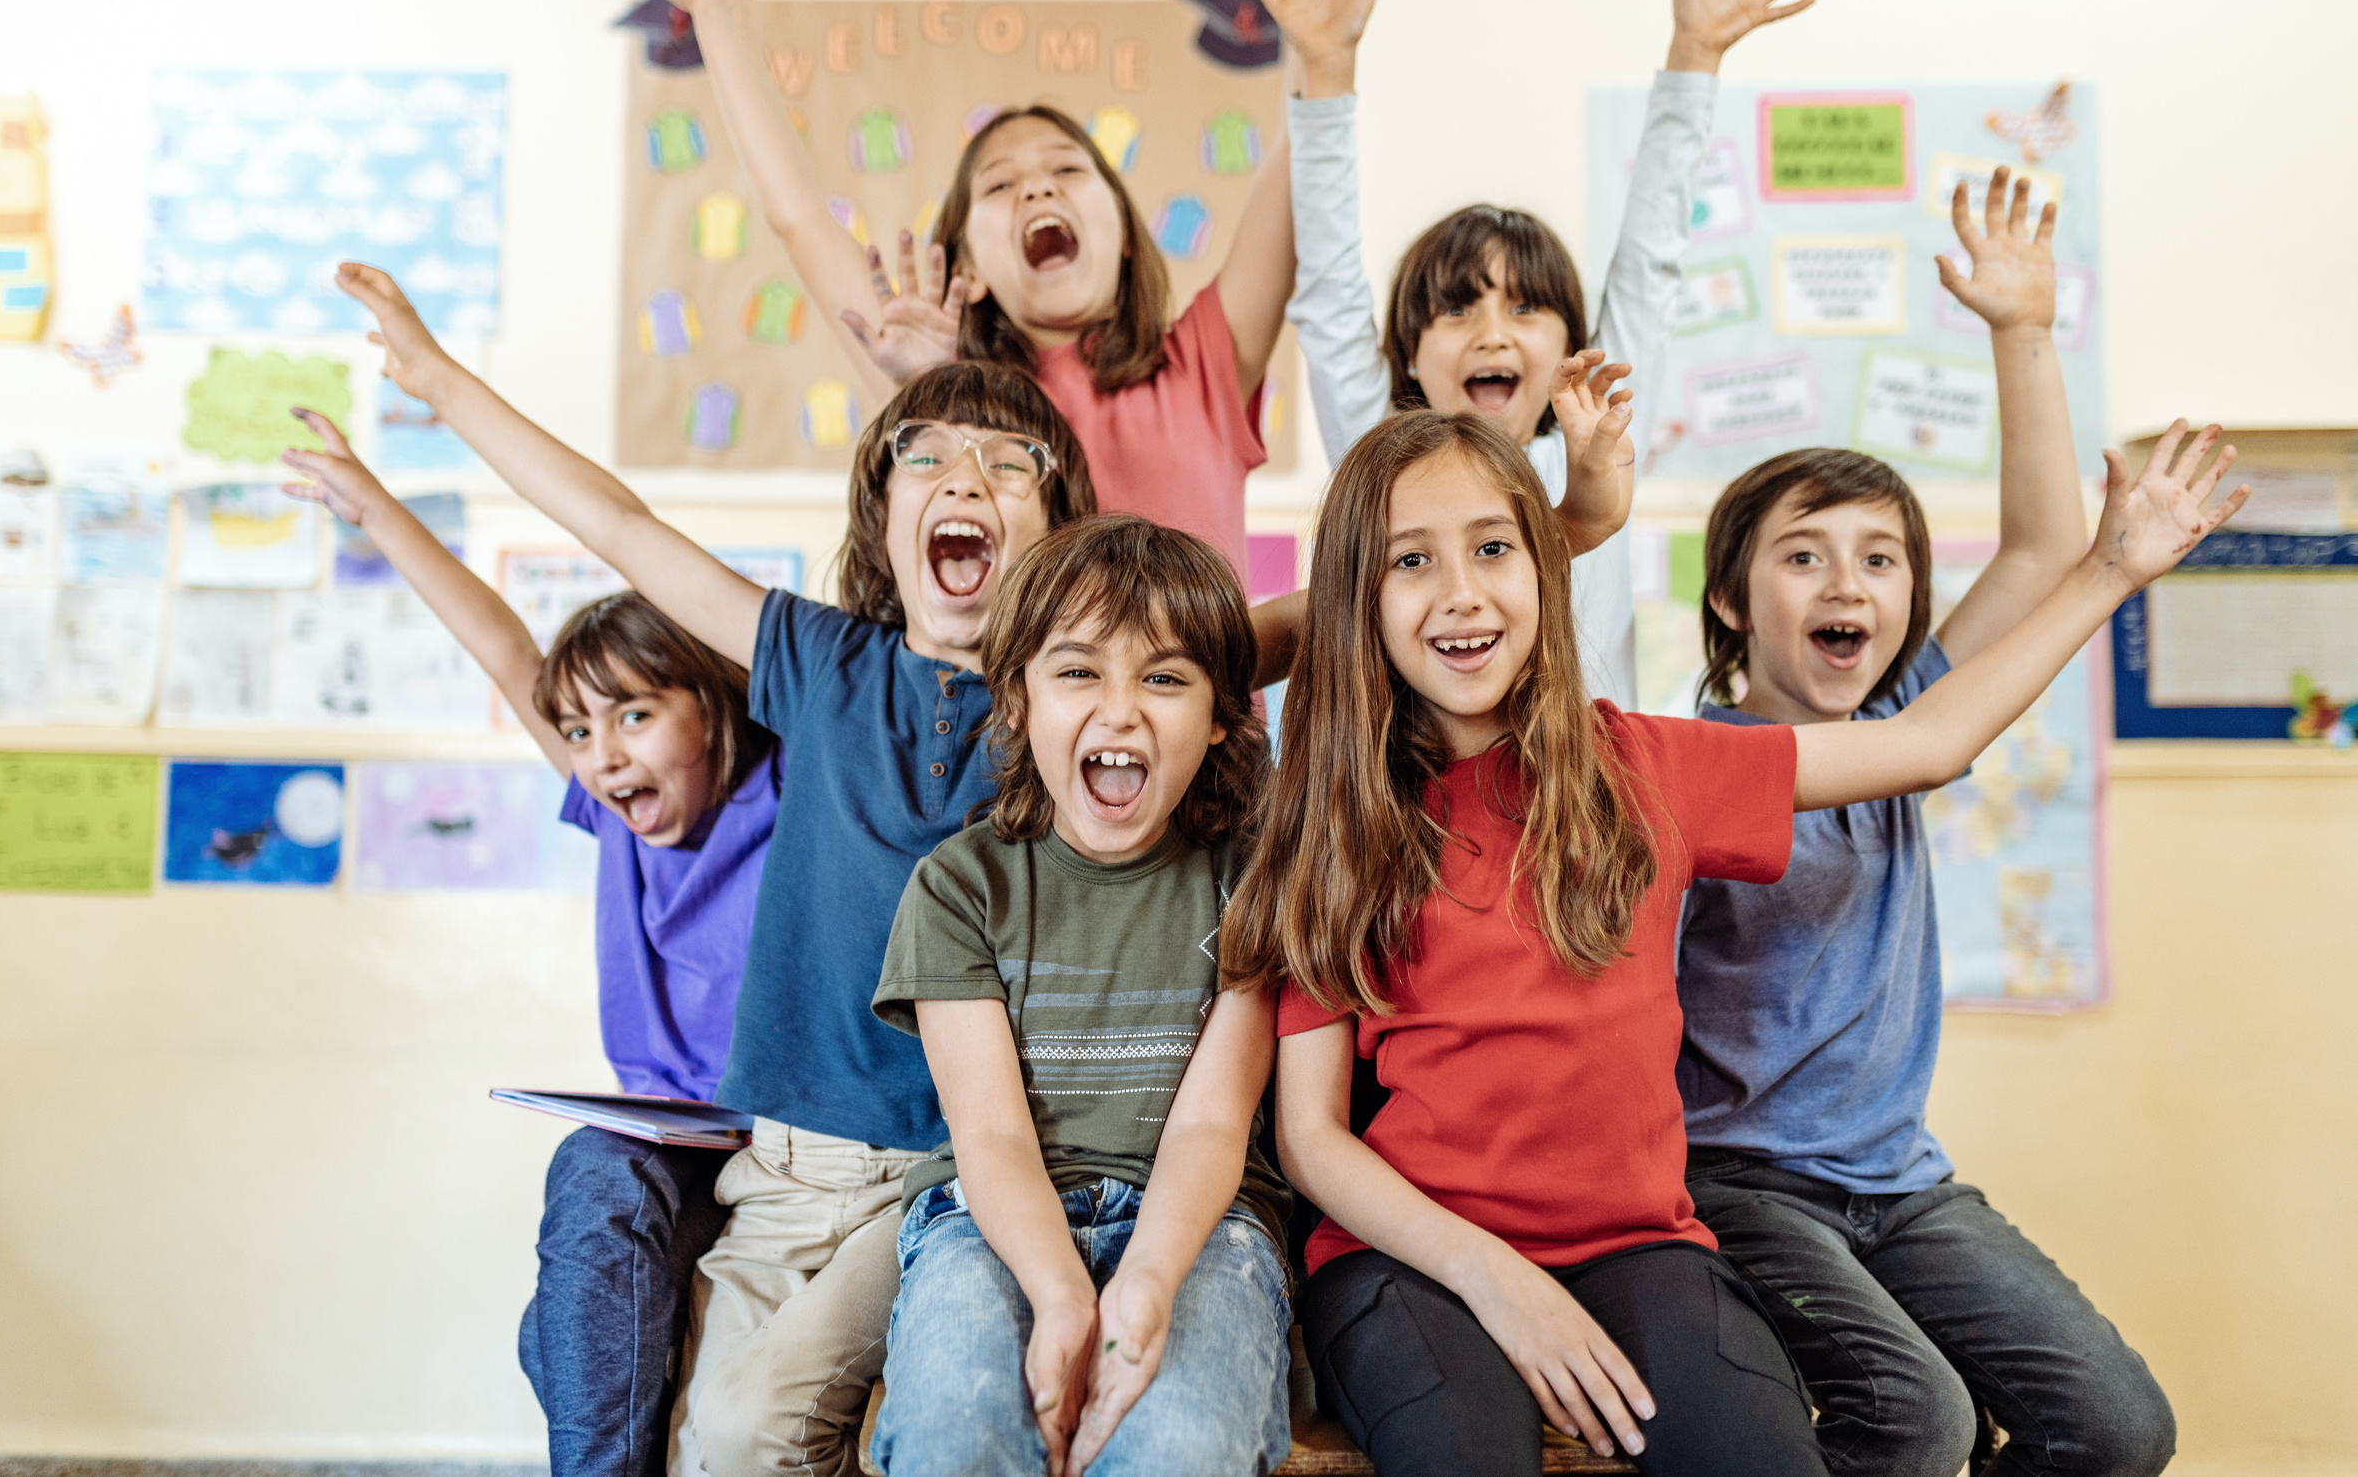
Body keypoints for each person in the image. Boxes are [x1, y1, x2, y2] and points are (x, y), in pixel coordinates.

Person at [1222, 409, 2245, 1477]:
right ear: (1355, 599)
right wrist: (1496, 1278)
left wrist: (2111, 572)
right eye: (1410, 561)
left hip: (1638, 1247)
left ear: (1544, 569)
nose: (1462, 593)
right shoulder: (1332, 823)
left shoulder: (1648, 768)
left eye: (1492, 548)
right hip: (1408, 1260)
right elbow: (1312, 1137)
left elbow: (1927, 741)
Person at [331, 260, 1097, 1477]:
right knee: (700, 1446)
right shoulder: (820, 664)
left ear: (1060, 535)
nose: (966, 479)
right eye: (928, 458)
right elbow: (619, 524)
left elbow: (1231, 635)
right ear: (879, 517)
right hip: (780, 1171)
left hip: (947, 1170)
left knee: (753, 1431)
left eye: (1010, 465)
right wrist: (438, 381)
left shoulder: (1073, 701)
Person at [1676, 172, 2178, 1477]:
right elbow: (2003, 659)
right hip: (1738, 1183)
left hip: (1898, 1181)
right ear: (1729, 600)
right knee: (1916, 1422)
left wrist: (2022, 331)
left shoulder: (1900, 707)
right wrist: (2110, 572)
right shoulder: (1703, 760)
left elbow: (2038, 550)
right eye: (1803, 554)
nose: (1846, 579)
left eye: (1880, 557)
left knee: (2115, 1428)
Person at [280, 413, 780, 1477]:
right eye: (579, 730)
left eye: (634, 715)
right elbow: (507, 650)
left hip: (788, 1154)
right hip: (671, 1153)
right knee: (587, 1188)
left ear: (712, 704)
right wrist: (374, 508)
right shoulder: (615, 808)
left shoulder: (789, 798)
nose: (600, 755)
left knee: (557, 1330)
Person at [618, 0, 1303, 583]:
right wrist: (720, 18)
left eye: (1067, 169)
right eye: (1000, 185)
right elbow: (799, 219)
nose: (1037, 188)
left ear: (1126, 233)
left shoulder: (1203, 364)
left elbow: (1300, 159)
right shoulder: (944, 386)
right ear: (966, 268)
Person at [1277, 0, 1814, 703]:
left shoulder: (1590, 450)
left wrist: (1693, 58)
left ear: (1573, 350)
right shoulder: (1379, 452)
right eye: (1456, 309)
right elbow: (1327, 287)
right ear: (1407, 356)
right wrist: (1324, 71)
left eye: (1525, 308)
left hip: (1586, 777)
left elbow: (1649, 264)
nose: (1491, 333)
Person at [868, 515, 1292, 1477]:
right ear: (1018, 700)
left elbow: (1210, 1127)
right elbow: (990, 1135)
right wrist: (1062, 1294)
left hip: (1203, 1225)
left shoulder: (1252, 885)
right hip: (987, 1220)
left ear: (1219, 717)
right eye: (1077, 672)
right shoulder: (959, 887)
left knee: (1180, 1449)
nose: (1120, 712)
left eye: (1165, 679)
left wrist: (1145, 1282)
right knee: (954, 1440)